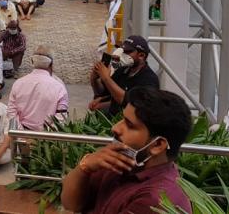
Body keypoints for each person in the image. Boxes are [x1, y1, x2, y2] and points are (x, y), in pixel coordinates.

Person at [61, 87, 193, 214]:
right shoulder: (121, 162)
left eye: (130, 125)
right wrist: (86, 166)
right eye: (122, 119)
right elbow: (72, 204)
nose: (115, 128)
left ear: (157, 145)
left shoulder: (156, 200)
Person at [89, 35, 160, 115]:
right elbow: (103, 92)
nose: (122, 54)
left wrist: (106, 78)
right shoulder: (122, 71)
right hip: (112, 121)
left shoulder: (149, 79)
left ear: (141, 55)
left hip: (130, 124)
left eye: (128, 52)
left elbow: (129, 102)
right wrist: (94, 79)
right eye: (123, 50)